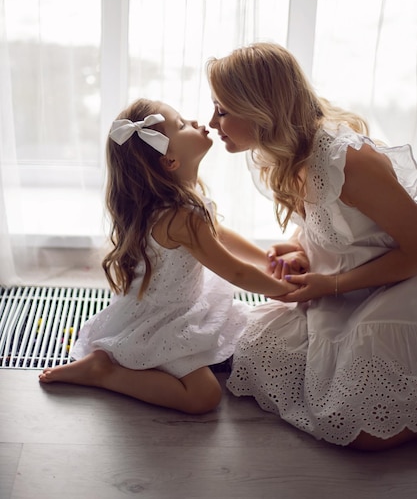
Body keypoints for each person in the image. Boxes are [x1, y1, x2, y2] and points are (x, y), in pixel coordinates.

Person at [207, 41, 417, 450]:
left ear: (261, 111)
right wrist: (300, 248)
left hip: (402, 279)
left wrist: (331, 285)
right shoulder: (283, 153)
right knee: (253, 349)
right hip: (350, 282)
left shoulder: (349, 162)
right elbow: (329, 224)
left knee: (363, 430)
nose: (213, 122)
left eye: (223, 110)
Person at [39, 98, 294, 414]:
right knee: (203, 397)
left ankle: (130, 362)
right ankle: (104, 373)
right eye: (183, 124)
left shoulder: (176, 200)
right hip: (162, 320)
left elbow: (219, 234)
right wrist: (287, 291)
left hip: (178, 304)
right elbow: (237, 274)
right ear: (170, 161)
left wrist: (265, 257)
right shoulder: (180, 217)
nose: (199, 122)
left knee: (240, 333)